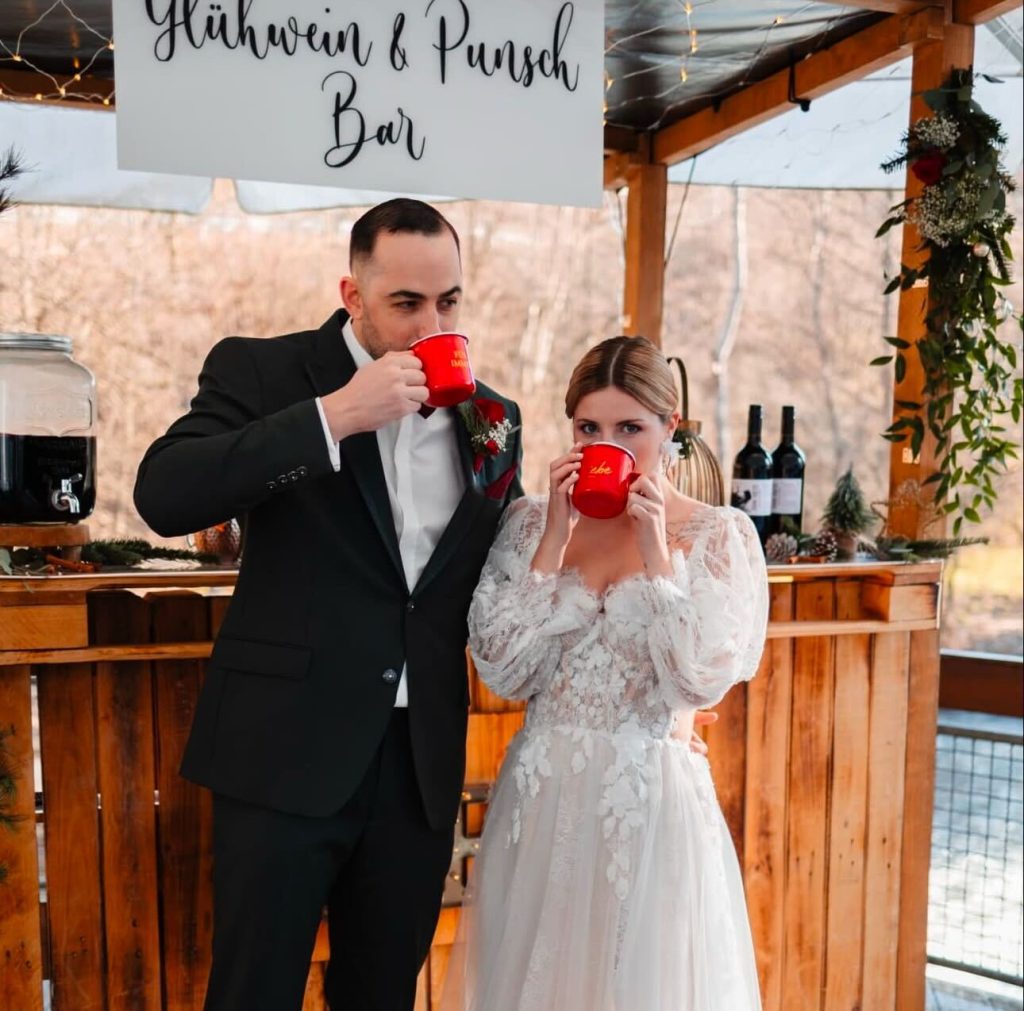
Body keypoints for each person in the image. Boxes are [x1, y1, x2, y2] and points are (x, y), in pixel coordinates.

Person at [133, 199, 526, 1011]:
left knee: (381, 994)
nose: (430, 324)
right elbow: (163, 491)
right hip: (285, 751)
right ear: (352, 294)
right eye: (405, 303)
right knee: (254, 993)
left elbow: (493, 571)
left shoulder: (494, 418)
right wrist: (339, 414)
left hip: (418, 765)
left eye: (448, 301)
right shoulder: (263, 371)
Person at [441, 335, 770, 1011]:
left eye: (630, 428)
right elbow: (504, 666)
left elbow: (698, 679)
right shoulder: (530, 521)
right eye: (589, 427)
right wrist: (554, 538)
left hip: (648, 811)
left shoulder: (718, 535)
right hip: (541, 803)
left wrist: (656, 553)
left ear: (668, 428)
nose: (607, 442)